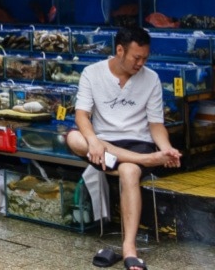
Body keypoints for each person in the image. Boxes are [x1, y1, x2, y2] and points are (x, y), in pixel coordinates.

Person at [66, 27, 181, 270]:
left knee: (129, 171)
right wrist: (95, 141)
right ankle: (145, 160)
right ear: (120, 50)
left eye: (145, 58)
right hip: (102, 148)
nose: (141, 63)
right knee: (75, 138)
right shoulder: (92, 73)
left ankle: (129, 248)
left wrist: (167, 149)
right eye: (136, 58)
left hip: (136, 142)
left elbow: (156, 124)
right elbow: (82, 115)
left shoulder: (151, 79)